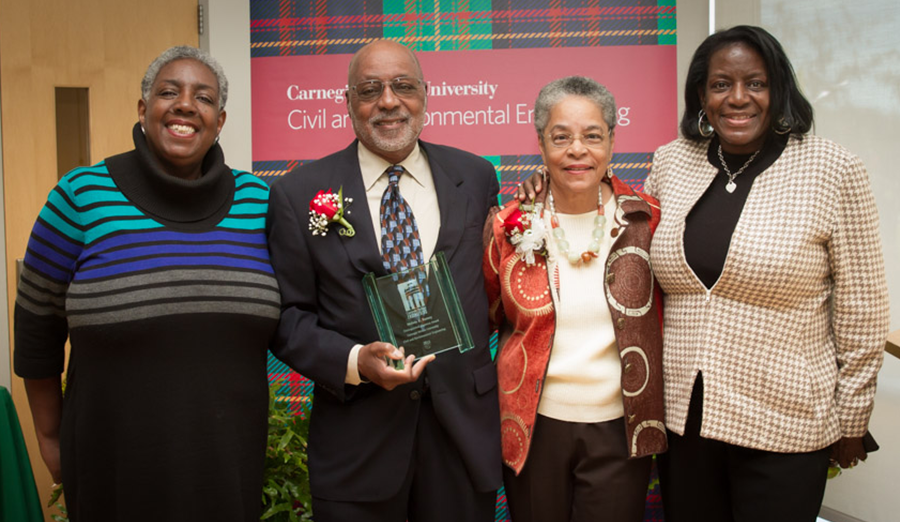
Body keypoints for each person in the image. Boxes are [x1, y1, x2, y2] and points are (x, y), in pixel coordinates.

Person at [14, 46, 280, 522]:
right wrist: (50, 437)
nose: (184, 105)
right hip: (110, 465)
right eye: (167, 92)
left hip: (227, 464)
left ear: (219, 121)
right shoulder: (80, 197)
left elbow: (295, 316)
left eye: (202, 97)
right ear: (143, 110)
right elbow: (37, 329)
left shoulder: (260, 203)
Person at [643, 26, 889, 522]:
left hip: (787, 423)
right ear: (700, 95)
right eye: (720, 85)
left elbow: (863, 310)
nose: (738, 98)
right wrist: (545, 190)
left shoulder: (833, 169)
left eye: (755, 83)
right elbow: (623, 236)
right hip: (685, 421)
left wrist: (852, 419)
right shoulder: (671, 162)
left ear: (778, 89)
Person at [266, 40, 502, 522]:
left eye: (403, 86)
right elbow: (288, 318)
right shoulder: (298, 193)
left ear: (426, 95)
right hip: (359, 442)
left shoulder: (475, 176)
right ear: (348, 102)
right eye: (370, 89)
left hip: (460, 433)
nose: (389, 101)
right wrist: (355, 361)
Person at [483, 76, 667, 522]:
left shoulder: (648, 219)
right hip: (533, 425)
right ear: (541, 143)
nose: (577, 150)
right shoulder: (508, 226)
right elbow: (489, 313)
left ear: (612, 140)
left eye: (592, 135)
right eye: (560, 136)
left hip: (620, 427)